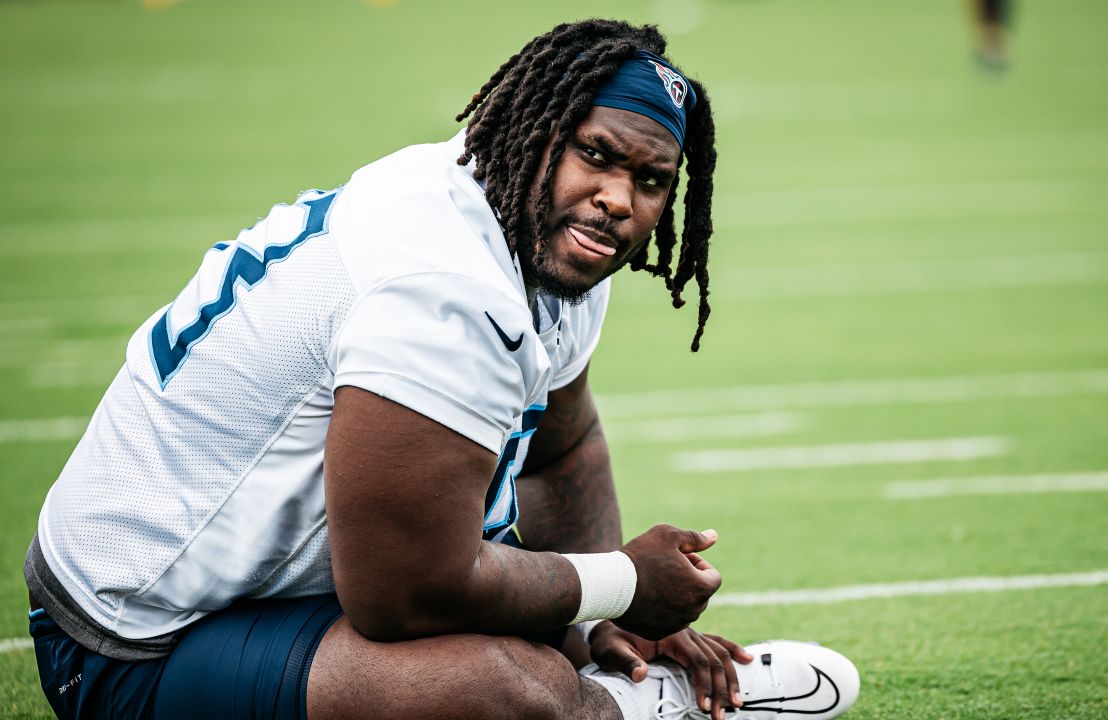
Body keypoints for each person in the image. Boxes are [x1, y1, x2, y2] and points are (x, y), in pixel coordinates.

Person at [25, 19, 859, 720]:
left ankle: (615, 678)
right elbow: (405, 594)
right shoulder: (441, 280)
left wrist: (611, 623)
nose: (618, 199)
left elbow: (562, 450)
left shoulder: (530, 227)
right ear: (537, 128)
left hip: (265, 587)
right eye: (597, 155)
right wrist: (624, 582)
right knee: (506, 689)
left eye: (650, 181)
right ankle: (640, 709)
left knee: (539, 634)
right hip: (129, 641)